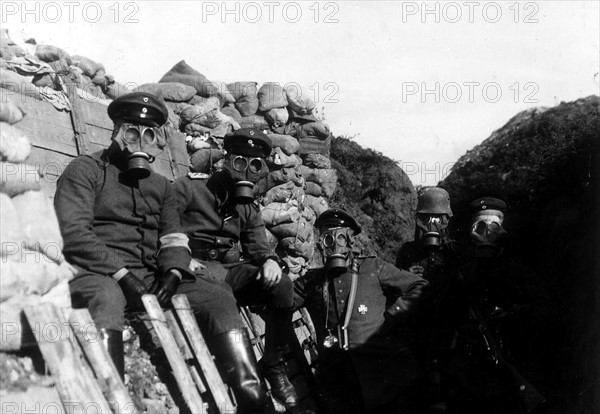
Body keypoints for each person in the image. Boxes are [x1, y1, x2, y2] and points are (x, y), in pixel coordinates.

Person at [54, 92, 269, 414]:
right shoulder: (85, 170)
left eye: (149, 133)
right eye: (131, 131)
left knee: (218, 299)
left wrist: (173, 272)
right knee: (107, 298)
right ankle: (108, 401)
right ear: (115, 132)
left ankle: (254, 403)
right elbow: (75, 233)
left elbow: (174, 238)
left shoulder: (161, 186)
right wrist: (122, 275)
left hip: (149, 274)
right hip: (95, 271)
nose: (139, 140)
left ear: (157, 139)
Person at [172, 127, 299, 411]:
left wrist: (269, 260)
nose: (245, 171)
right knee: (221, 297)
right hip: (194, 269)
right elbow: (161, 227)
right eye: (238, 161)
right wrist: (179, 256)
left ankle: (274, 365)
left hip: (228, 270)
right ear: (225, 160)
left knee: (283, 285)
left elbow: (257, 247)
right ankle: (252, 399)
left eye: (254, 166)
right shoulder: (189, 188)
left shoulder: (247, 205)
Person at [424, 197, 552, 414]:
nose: (486, 233)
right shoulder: (460, 275)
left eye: (494, 227)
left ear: (503, 232)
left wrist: (514, 314)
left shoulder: (519, 274)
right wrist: (437, 373)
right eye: (480, 226)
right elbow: (441, 325)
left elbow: (545, 310)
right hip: (466, 376)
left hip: (509, 365)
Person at [294, 208, 429, 414]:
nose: (333, 245)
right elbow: (284, 299)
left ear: (350, 241)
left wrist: (392, 316)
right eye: (326, 239)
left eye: (339, 237)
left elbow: (420, 286)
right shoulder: (312, 282)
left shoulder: (373, 267)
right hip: (340, 386)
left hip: (384, 377)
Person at [394, 186, 462, 411]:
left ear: (446, 220)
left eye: (438, 219)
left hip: (448, 324)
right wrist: (408, 277)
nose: (432, 224)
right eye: (427, 218)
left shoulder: (456, 252)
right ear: (418, 220)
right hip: (418, 325)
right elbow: (395, 290)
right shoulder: (408, 251)